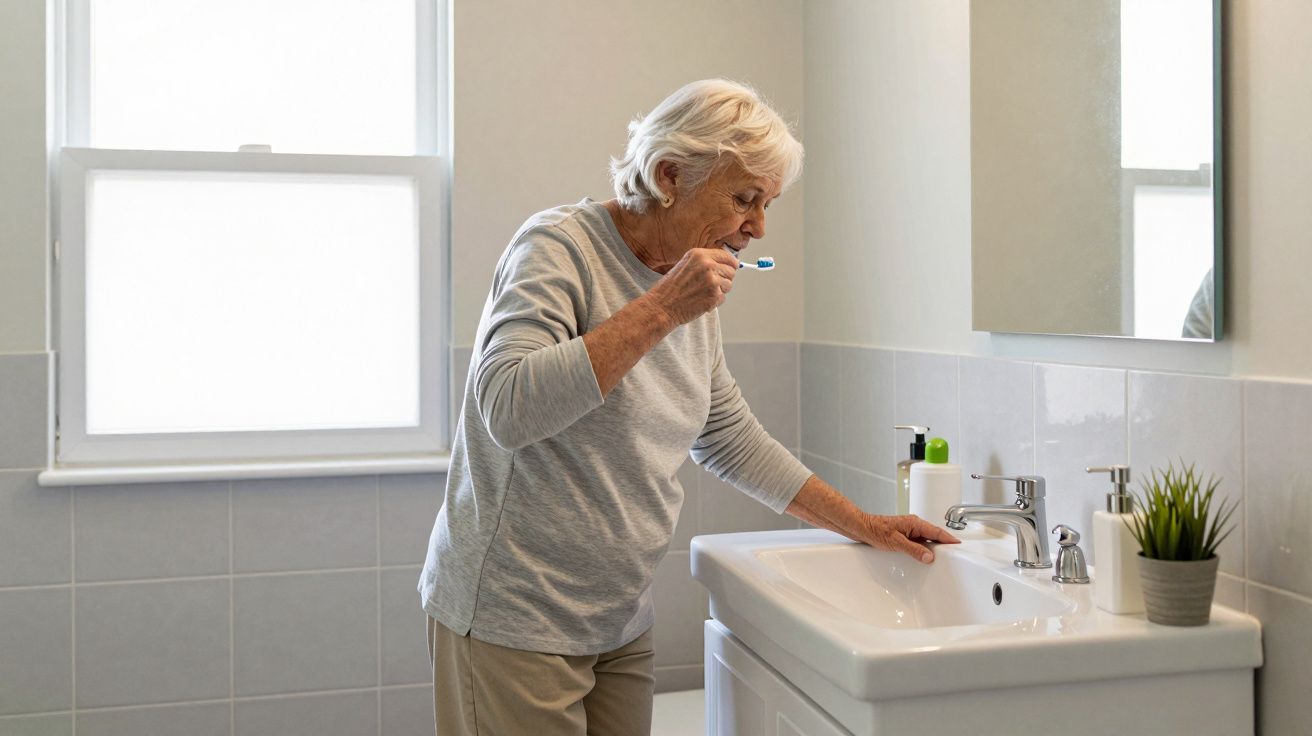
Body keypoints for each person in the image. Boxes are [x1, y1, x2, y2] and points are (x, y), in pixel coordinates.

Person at [418, 78, 959, 736]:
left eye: (767, 204)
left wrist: (865, 524)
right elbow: (506, 406)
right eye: (745, 199)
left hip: (617, 619)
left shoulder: (687, 278)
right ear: (669, 175)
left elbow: (727, 436)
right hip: (514, 616)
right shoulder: (559, 248)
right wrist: (665, 307)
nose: (758, 226)